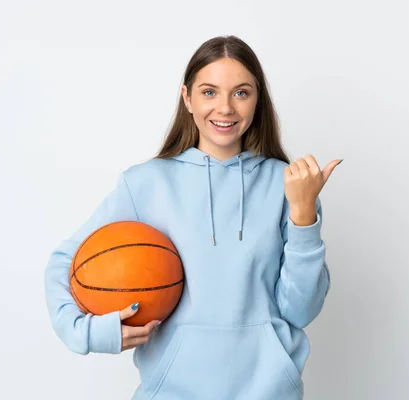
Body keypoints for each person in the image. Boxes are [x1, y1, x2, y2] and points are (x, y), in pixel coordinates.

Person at [44, 35, 342, 400]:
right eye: (210, 92)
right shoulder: (145, 184)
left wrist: (303, 214)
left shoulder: (289, 184)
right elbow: (65, 263)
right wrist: (89, 332)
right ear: (188, 98)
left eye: (241, 93)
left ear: (257, 101)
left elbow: (301, 310)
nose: (226, 108)